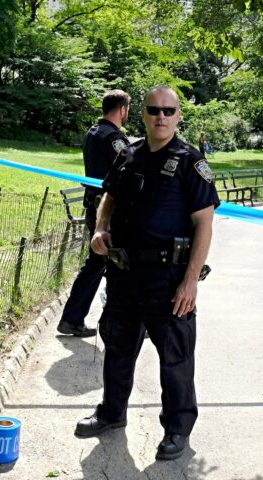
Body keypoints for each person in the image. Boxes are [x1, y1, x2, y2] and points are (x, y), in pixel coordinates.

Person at [75, 86, 220, 461]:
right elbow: (109, 197)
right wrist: (99, 229)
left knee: (175, 357)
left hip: (168, 280)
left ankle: (177, 429)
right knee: (118, 348)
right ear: (141, 113)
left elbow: (204, 225)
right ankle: (111, 412)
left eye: (168, 111)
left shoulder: (190, 162)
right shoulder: (128, 155)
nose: (161, 116)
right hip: (124, 274)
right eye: (154, 110)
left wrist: (190, 282)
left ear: (178, 115)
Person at [56, 90, 131, 337]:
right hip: (109, 209)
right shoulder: (114, 138)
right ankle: (117, 319)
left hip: (93, 205)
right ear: (122, 109)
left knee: (98, 261)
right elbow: (128, 167)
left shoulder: (93, 132)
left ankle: (73, 318)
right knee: (111, 261)